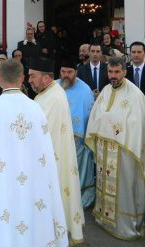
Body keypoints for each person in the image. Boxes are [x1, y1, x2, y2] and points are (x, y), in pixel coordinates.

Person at [0, 59, 68, 246]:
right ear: (23, 78)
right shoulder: (36, 109)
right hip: (30, 186)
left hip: (1, 183)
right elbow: (45, 154)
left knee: (4, 223)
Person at [86, 57, 145, 240]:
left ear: (124, 72)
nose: (113, 76)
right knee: (104, 183)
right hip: (105, 148)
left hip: (125, 150)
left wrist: (109, 122)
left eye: (117, 72)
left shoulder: (135, 94)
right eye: (110, 72)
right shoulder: (105, 90)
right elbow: (96, 114)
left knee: (124, 186)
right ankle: (105, 218)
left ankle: (126, 225)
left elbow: (136, 124)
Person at [28, 57, 84, 244]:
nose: (30, 80)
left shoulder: (52, 98)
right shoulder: (49, 93)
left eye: (33, 76)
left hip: (52, 160)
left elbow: (38, 133)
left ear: (46, 78)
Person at [57, 58, 95, 209]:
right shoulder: (54, 86)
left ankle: (78, 200)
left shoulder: (84, 89)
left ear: (76, 72)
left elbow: (89, 114)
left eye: (70, 72)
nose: (66, 75)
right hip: (57, 137)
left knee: (77, 169)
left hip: (77, 138)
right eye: (63, 72)